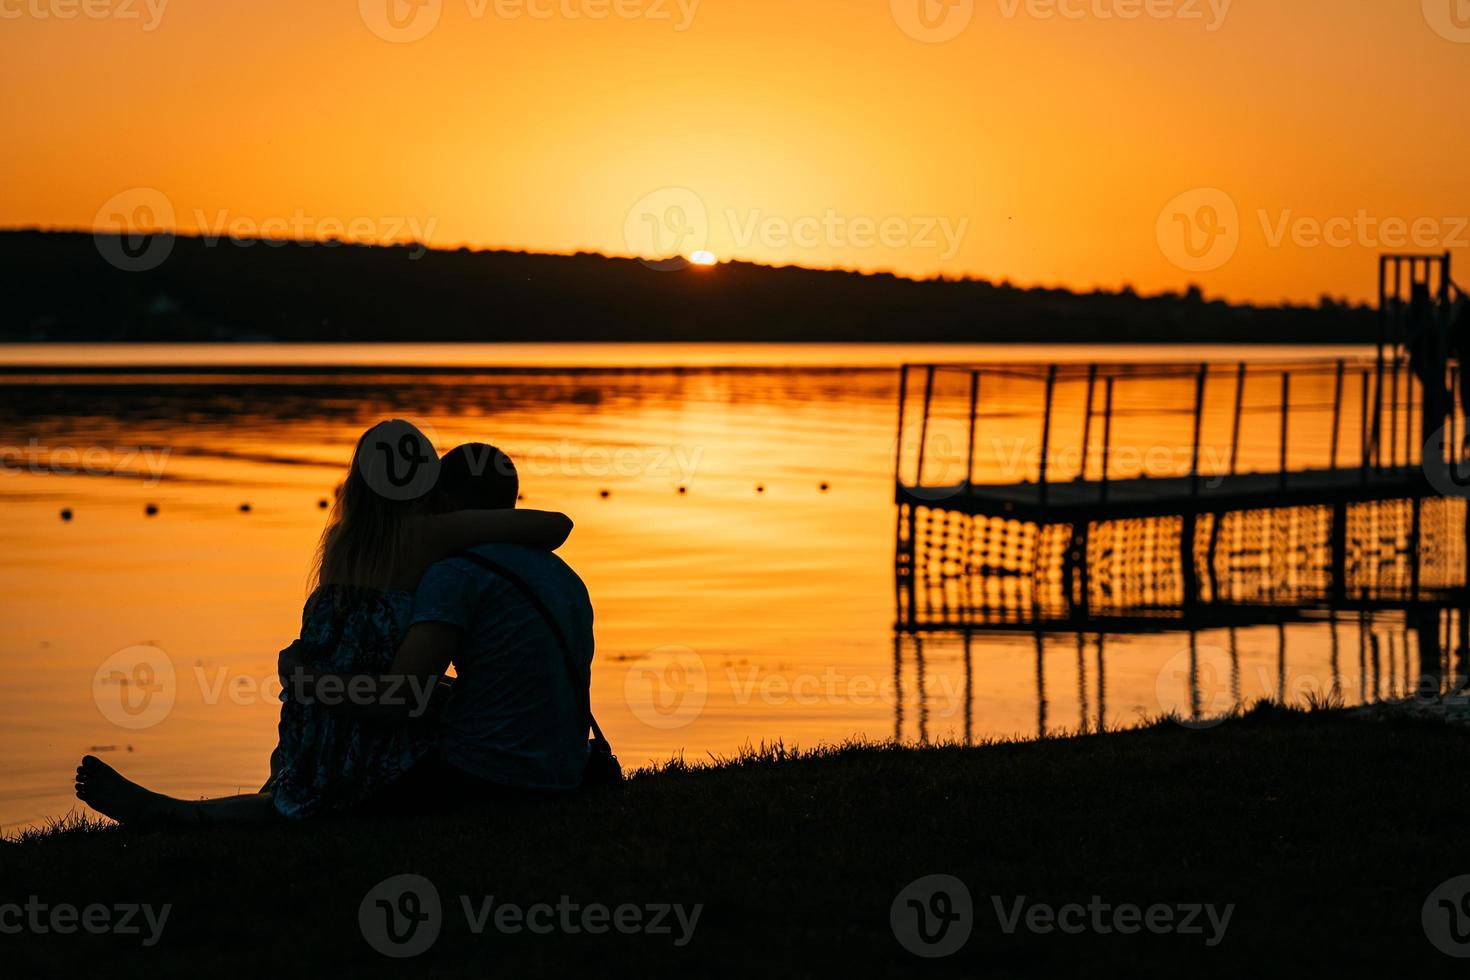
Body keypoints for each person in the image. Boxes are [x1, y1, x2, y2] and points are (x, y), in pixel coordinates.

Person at [74, 421, 574, 826]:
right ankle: (186, 813)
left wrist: (303, 679)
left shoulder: (339, 542)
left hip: (330, 705)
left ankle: (183, 813)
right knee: (318, 774)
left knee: (302, 774)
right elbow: (555, 525)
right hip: (369, 708)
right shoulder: (433, 540)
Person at [280, 442, 597, 809]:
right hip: (564, 772)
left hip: (487, 775)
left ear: (441, 502)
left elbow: (399, 699)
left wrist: (304, 678)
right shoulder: (564, 575)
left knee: (344, 779)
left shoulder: (454, 575)